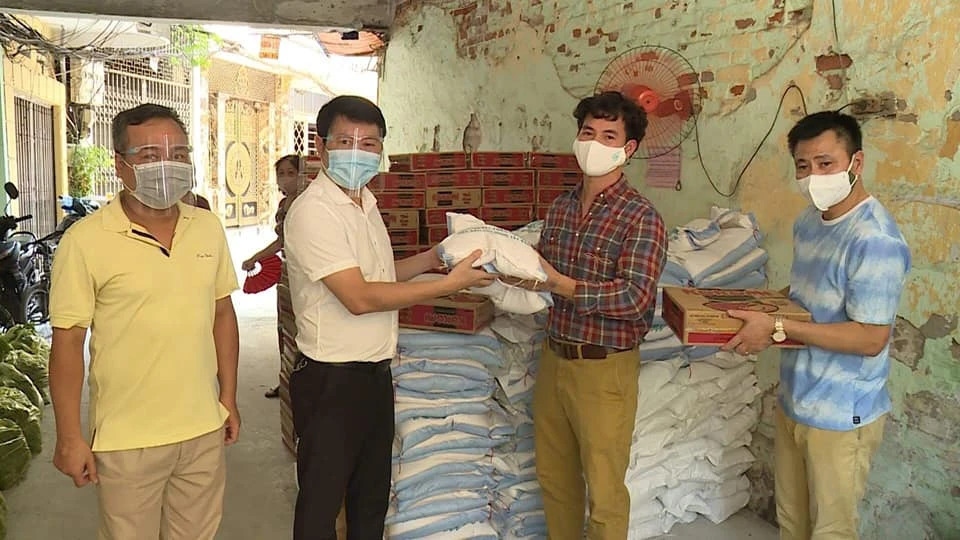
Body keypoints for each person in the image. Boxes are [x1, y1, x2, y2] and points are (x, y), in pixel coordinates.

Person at [282, 95, 494, 540]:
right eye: (346, 141)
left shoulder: (366, 203)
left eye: (369, 144)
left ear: (381, 149)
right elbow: (358, 297)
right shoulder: (314, 212)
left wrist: (432, 259)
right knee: (320, 506)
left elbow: (380, 277)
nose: (358, 153)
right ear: (321, 147)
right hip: (330, 381)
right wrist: (447, 286)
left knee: (370, 500)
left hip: (374, 377)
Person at [48, 103, 241, 540]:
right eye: (150, 155)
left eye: (178, 154)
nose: (167, 165)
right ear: (120, 165)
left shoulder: (208, 228)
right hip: (126, 440)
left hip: (202, 430)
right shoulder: (85, 241)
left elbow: (222, 313)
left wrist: (228, 396)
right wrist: (69, 436)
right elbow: (68, 343)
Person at [721, 111, 910, 540]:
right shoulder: (810, 221)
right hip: (796, 398)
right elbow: (806, 294)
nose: (813, 177)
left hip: (841, 414)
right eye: (803, 166)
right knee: (791, 522)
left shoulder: (874, 240)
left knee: (830, 531)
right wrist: (758, 308)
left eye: (826, 163)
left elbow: (871, 338)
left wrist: (776, 326)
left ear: (856, 162)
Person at [523, 91, 667, 539]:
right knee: (555, 479)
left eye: (609, 136)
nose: (594, 144)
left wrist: (562, 285)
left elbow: (635, 298)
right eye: (588, 132)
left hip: (604, 370)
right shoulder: (561, 208)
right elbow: (542, 273)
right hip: (554, 359)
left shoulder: (641, 217)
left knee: (604, 493)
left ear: (628, 149)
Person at [238, 154, 308, 398]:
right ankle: (285, 377)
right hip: (287, 275)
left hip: (306, 275)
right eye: (281, 174)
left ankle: (302, 382)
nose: (286, 178)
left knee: (303, 329)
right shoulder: (283, 205)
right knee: (284, 328)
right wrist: (256, 257)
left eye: (291, 173)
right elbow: (281, 241)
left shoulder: (308, 204)